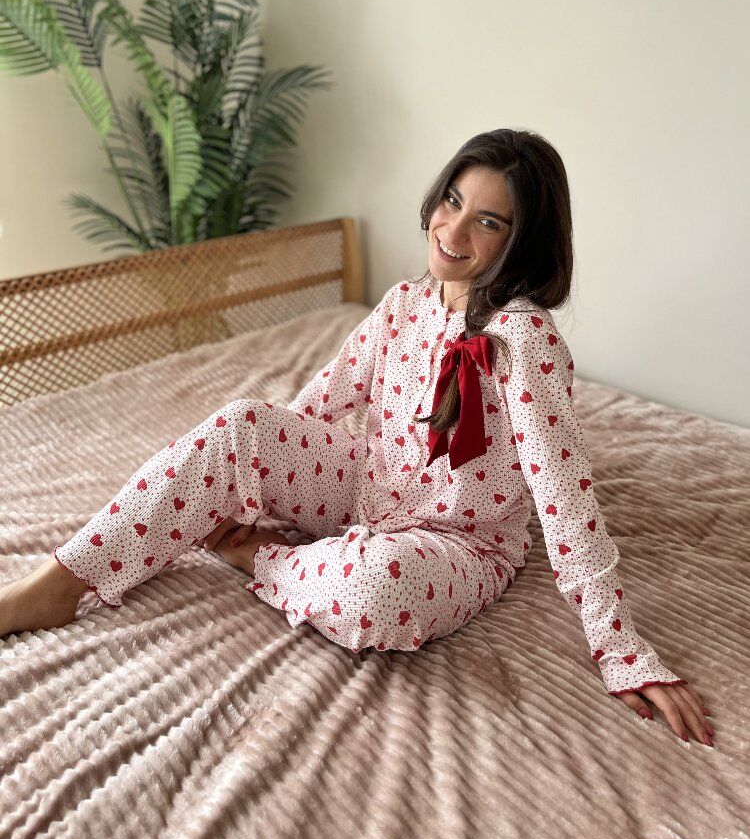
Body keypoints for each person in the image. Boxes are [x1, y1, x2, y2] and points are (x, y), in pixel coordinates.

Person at [0, 128, 713, 746]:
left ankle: (260, 561)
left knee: (374, 586)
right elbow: (319, 402)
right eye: (453, 201)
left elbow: (564, 498)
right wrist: (259, 478)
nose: (454, 231)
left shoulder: (524, 340)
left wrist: (620, 647)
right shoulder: (403, 303)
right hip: (368, 482)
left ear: (522, 242)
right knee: (244, 422)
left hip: (459, 541)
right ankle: (59, 583)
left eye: (489, 222)